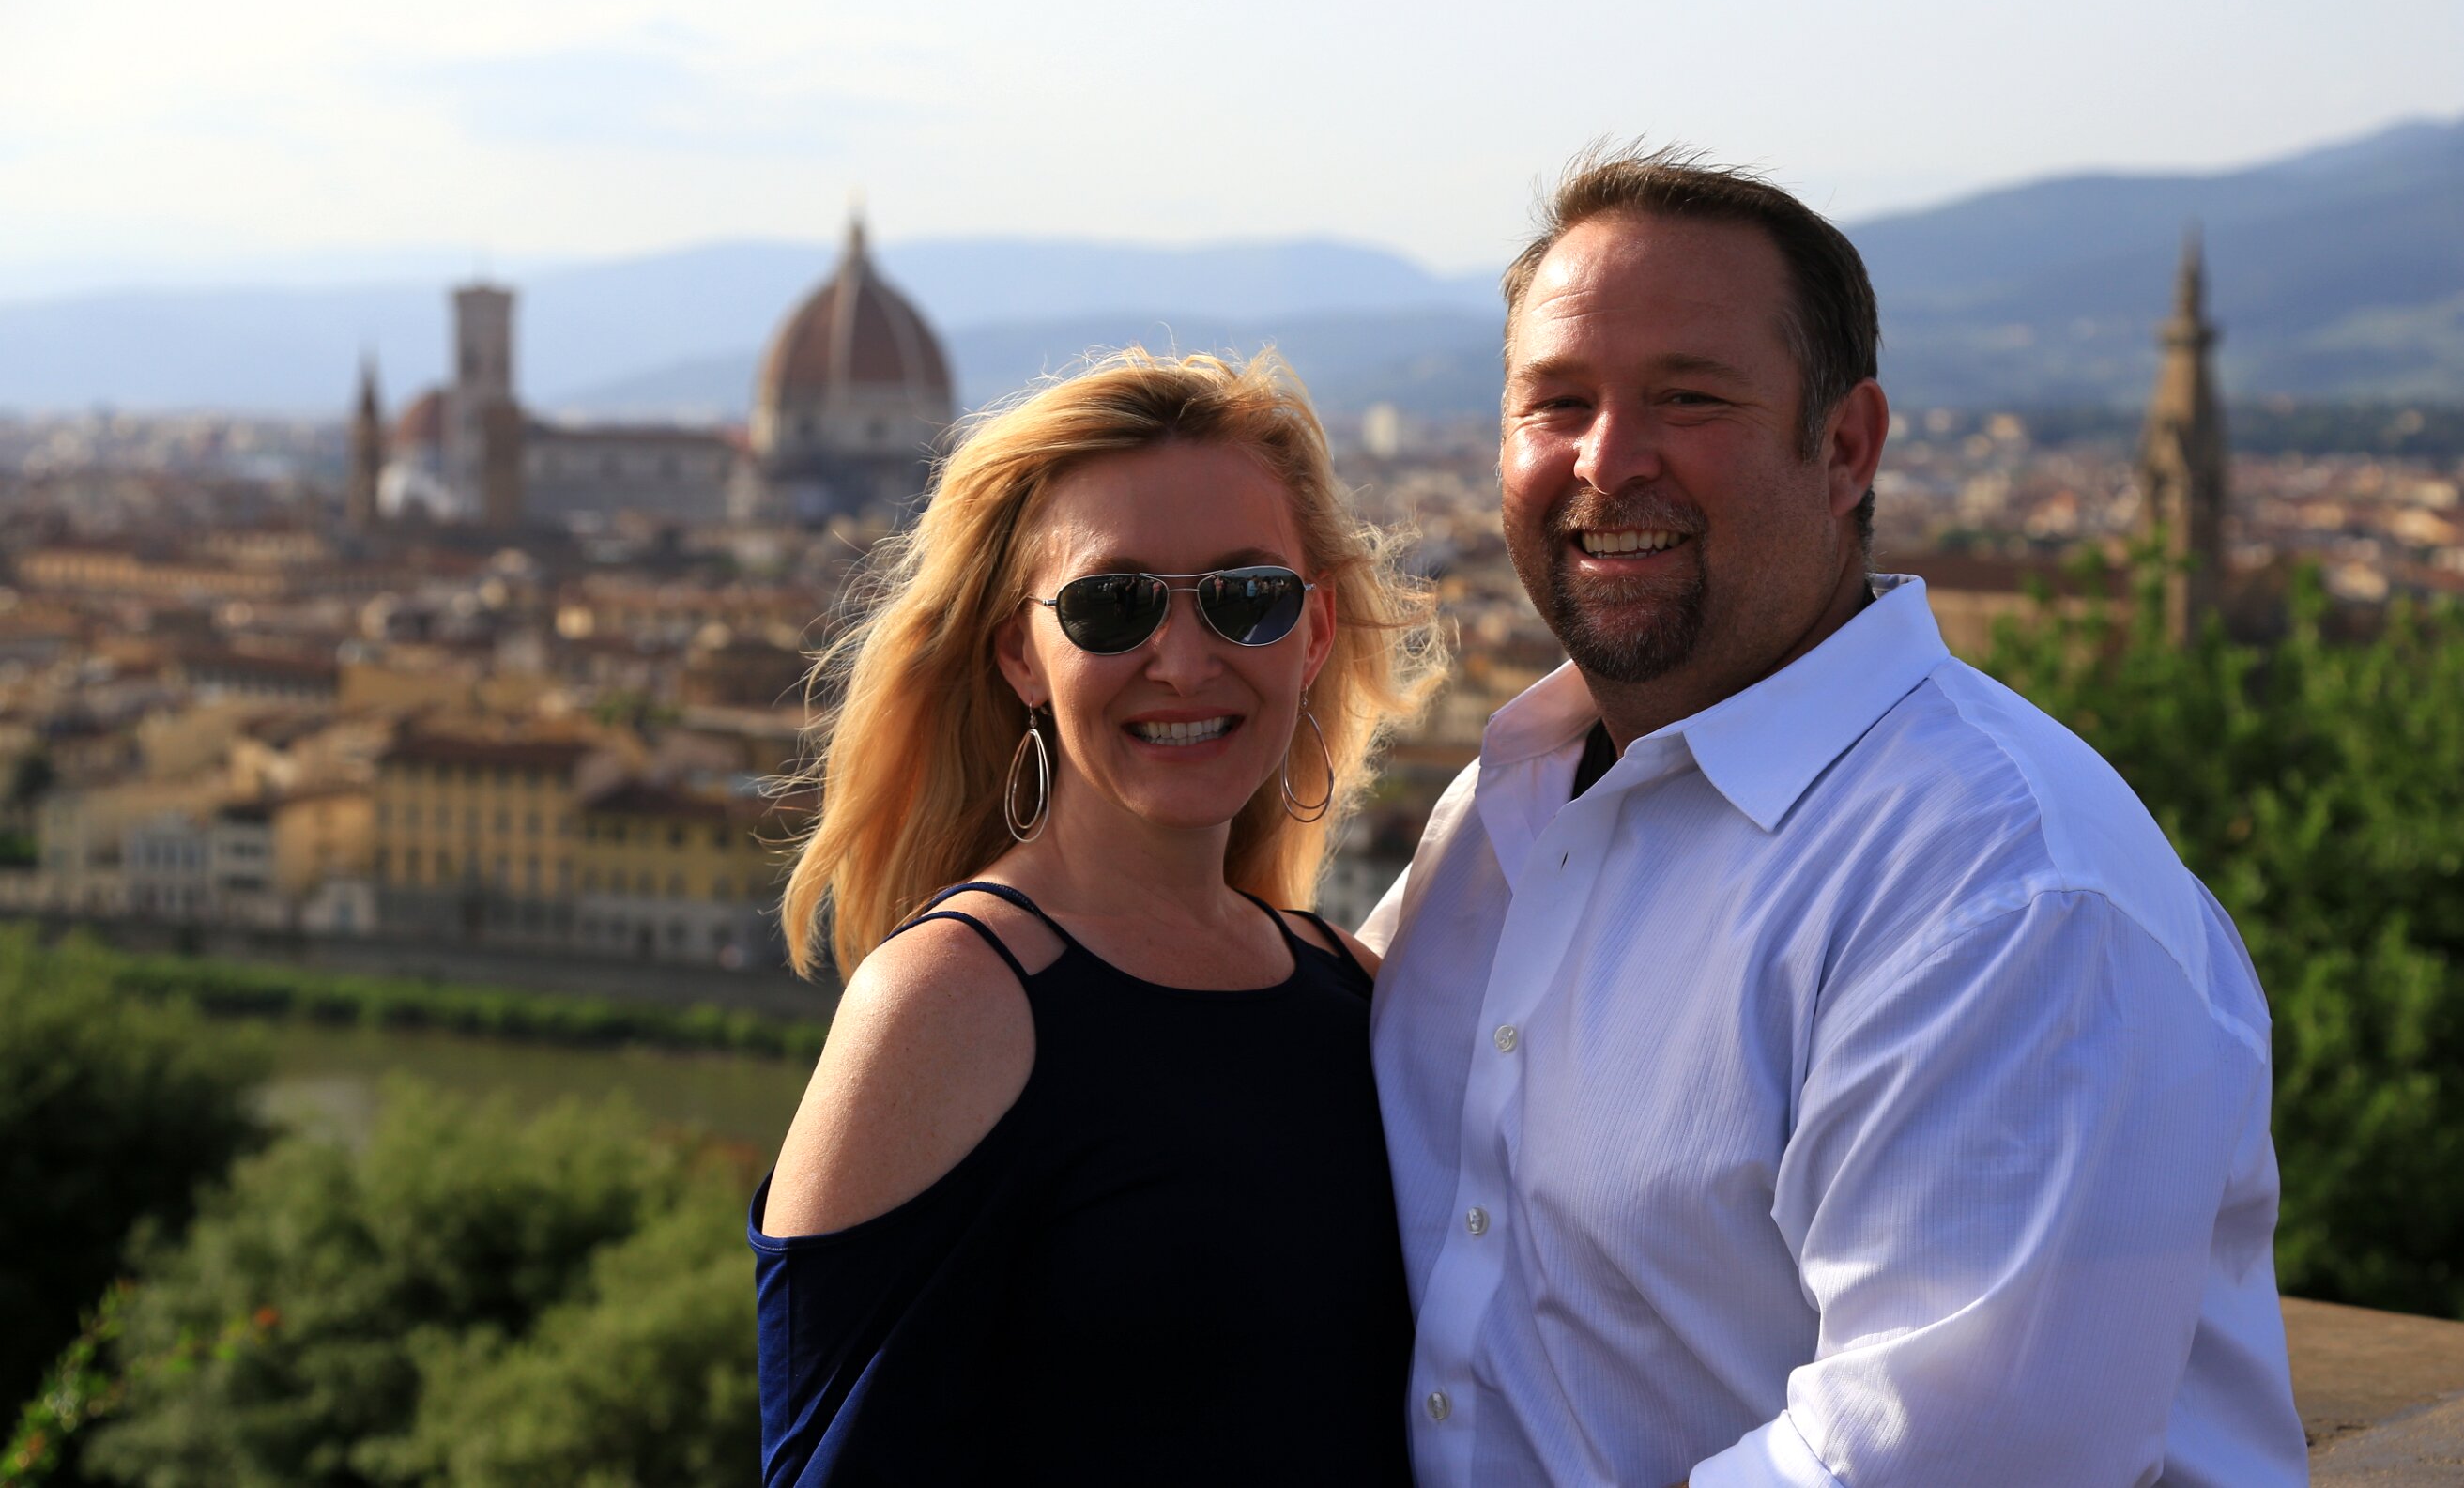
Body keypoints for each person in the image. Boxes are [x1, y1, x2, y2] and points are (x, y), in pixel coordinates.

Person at [1362, 145, 2308, 1487]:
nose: (1606, 458)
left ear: (1847, 446)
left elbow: (1930, 1463)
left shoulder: (2004, 892)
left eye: (1689, 397)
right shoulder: (1499, 810)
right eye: (1555, 401)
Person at [752, 350, 1443, 1487]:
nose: (1184, 661)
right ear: (1020, 653)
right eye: (1113, 606)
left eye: (1247, 597)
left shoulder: (1362, 995)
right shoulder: (947, 1005)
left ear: (1315, 630)